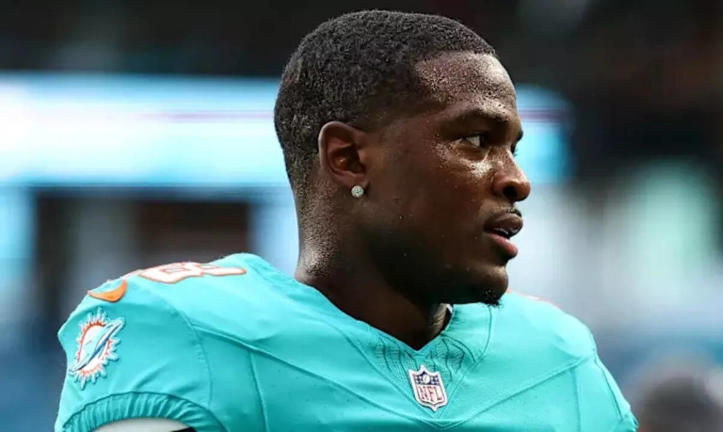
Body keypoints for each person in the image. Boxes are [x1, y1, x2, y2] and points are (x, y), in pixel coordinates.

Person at [55, 10, 637, 432]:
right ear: (349, 158)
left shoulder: (557, 355)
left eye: (513, 147)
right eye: (476, 140)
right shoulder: (188, 332)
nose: (517, 179)